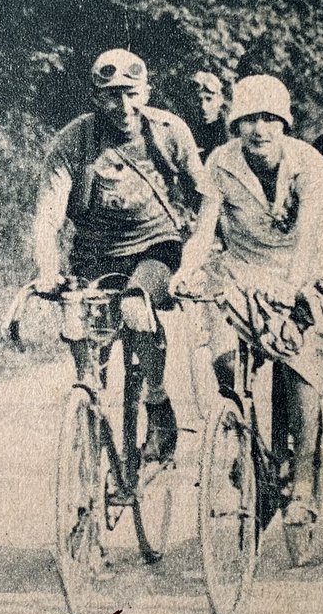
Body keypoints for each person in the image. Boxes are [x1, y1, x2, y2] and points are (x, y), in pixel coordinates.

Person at [172, 74, 323, 541]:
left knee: (299, 364)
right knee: (221, 355)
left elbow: (315, 225)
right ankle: (244, 442)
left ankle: (301, 483)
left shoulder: (307, 161)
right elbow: (205, 228)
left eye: (269, 120)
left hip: (310, 266)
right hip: (244, 267)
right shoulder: (220, 162)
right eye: (249, 120)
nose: (259, 130)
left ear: (284, 124)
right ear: (235, 125)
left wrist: (295, 285)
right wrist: (186, 268)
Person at [32, 48, 207, 470]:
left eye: (131, 94)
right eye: (111, 95)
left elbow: (206, 197)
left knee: (134, 306)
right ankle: (89, 408)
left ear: (146, 91)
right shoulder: (74, 140)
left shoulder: (169, 132)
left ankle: (159, 403)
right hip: (94, 253)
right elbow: (48, 215)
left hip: (155, 246)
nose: (123, 106)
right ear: (96, 97)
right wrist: (46, 269)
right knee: (76, 326)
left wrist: (198, 256)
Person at [189, 70, 230, 156]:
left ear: (220, 99)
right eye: (198, 100)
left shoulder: (229, 131)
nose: (203, 107)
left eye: (209, 99)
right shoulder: (190, 126)